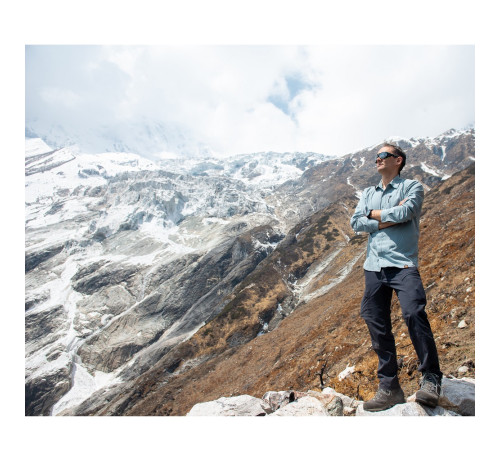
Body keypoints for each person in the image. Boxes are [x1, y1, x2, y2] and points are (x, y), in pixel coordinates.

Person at [350, 143, 442, 412]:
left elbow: (406, 212)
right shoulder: (369, 192)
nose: (377, 159)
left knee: (414, 313)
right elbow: (355, 223)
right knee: (375, 321)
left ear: (398, 160)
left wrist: (372, 215)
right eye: (376, 156)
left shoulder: (412, 187)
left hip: (402, 264)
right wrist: (387, 218)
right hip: (373, 266)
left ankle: (431, 378)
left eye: (383, 155)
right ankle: (389, 387)